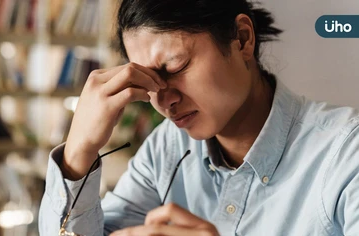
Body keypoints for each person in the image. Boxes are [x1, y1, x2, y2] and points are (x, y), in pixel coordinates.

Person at [39, 0, 359, 235]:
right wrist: (77, 155)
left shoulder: (345, 155)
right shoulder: (167, 146)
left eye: (176, 67)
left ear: (243, 39)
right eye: (147, 81)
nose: (164, 100)